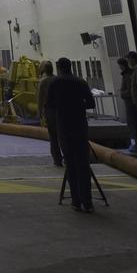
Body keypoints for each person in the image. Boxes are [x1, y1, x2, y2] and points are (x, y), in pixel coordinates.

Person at [47, 58, 96, 211]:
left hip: (64, 126)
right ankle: (87, 202)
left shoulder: (55, 82)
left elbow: (49, 104)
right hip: (80, 126)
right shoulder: (80, 82)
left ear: (59, 68)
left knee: (70, 163)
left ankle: (76, 201)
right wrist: (77, 105)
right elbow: (91, 103)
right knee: (83, 164)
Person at [116, 55, 137, 153]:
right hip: (130, 100)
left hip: (130, 101)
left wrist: (123, 93)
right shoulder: (129, 74)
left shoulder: (128, 75)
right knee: (133, 121)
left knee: (133, 122)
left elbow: (131, 89)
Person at [38, 61, 62, 167]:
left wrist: (40, 113)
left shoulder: (43, 81)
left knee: (53, 137)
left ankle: (57, 159)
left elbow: (40, 98)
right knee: (62, 135)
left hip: (50, 111)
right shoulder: (58, 79)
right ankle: (68, 157)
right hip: (61, 111)